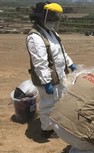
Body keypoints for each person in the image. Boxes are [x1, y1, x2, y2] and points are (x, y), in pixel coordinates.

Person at [26, 2, 76, 138]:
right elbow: (40, 63)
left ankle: (56, 125)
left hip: (59, 75)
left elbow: (61, 52)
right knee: (48, 104)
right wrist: (46, 82)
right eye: (52, 16)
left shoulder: (52, 32)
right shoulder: (35, 37)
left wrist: (70, 64)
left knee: (59, 100)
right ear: (41, 17)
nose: (54, 20)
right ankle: (46, 130)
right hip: (47, 78)